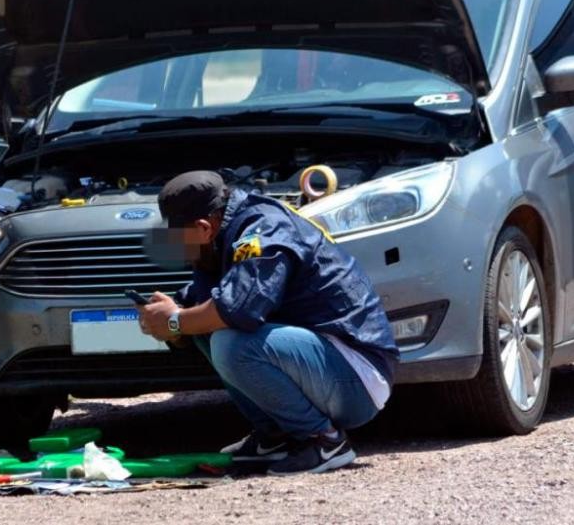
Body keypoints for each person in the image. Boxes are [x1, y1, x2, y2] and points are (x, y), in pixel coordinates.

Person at [137, 170, 399, 475]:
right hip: (324, 365)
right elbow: (196, 308)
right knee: (202, 324)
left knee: (230, 341)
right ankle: (276, 437)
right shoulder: (218, 239)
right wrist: (166, 320)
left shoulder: (265, 227)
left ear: (203, 227)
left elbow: (237, 311)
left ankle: (324, 441)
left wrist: (174, 322)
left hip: (358, 374)